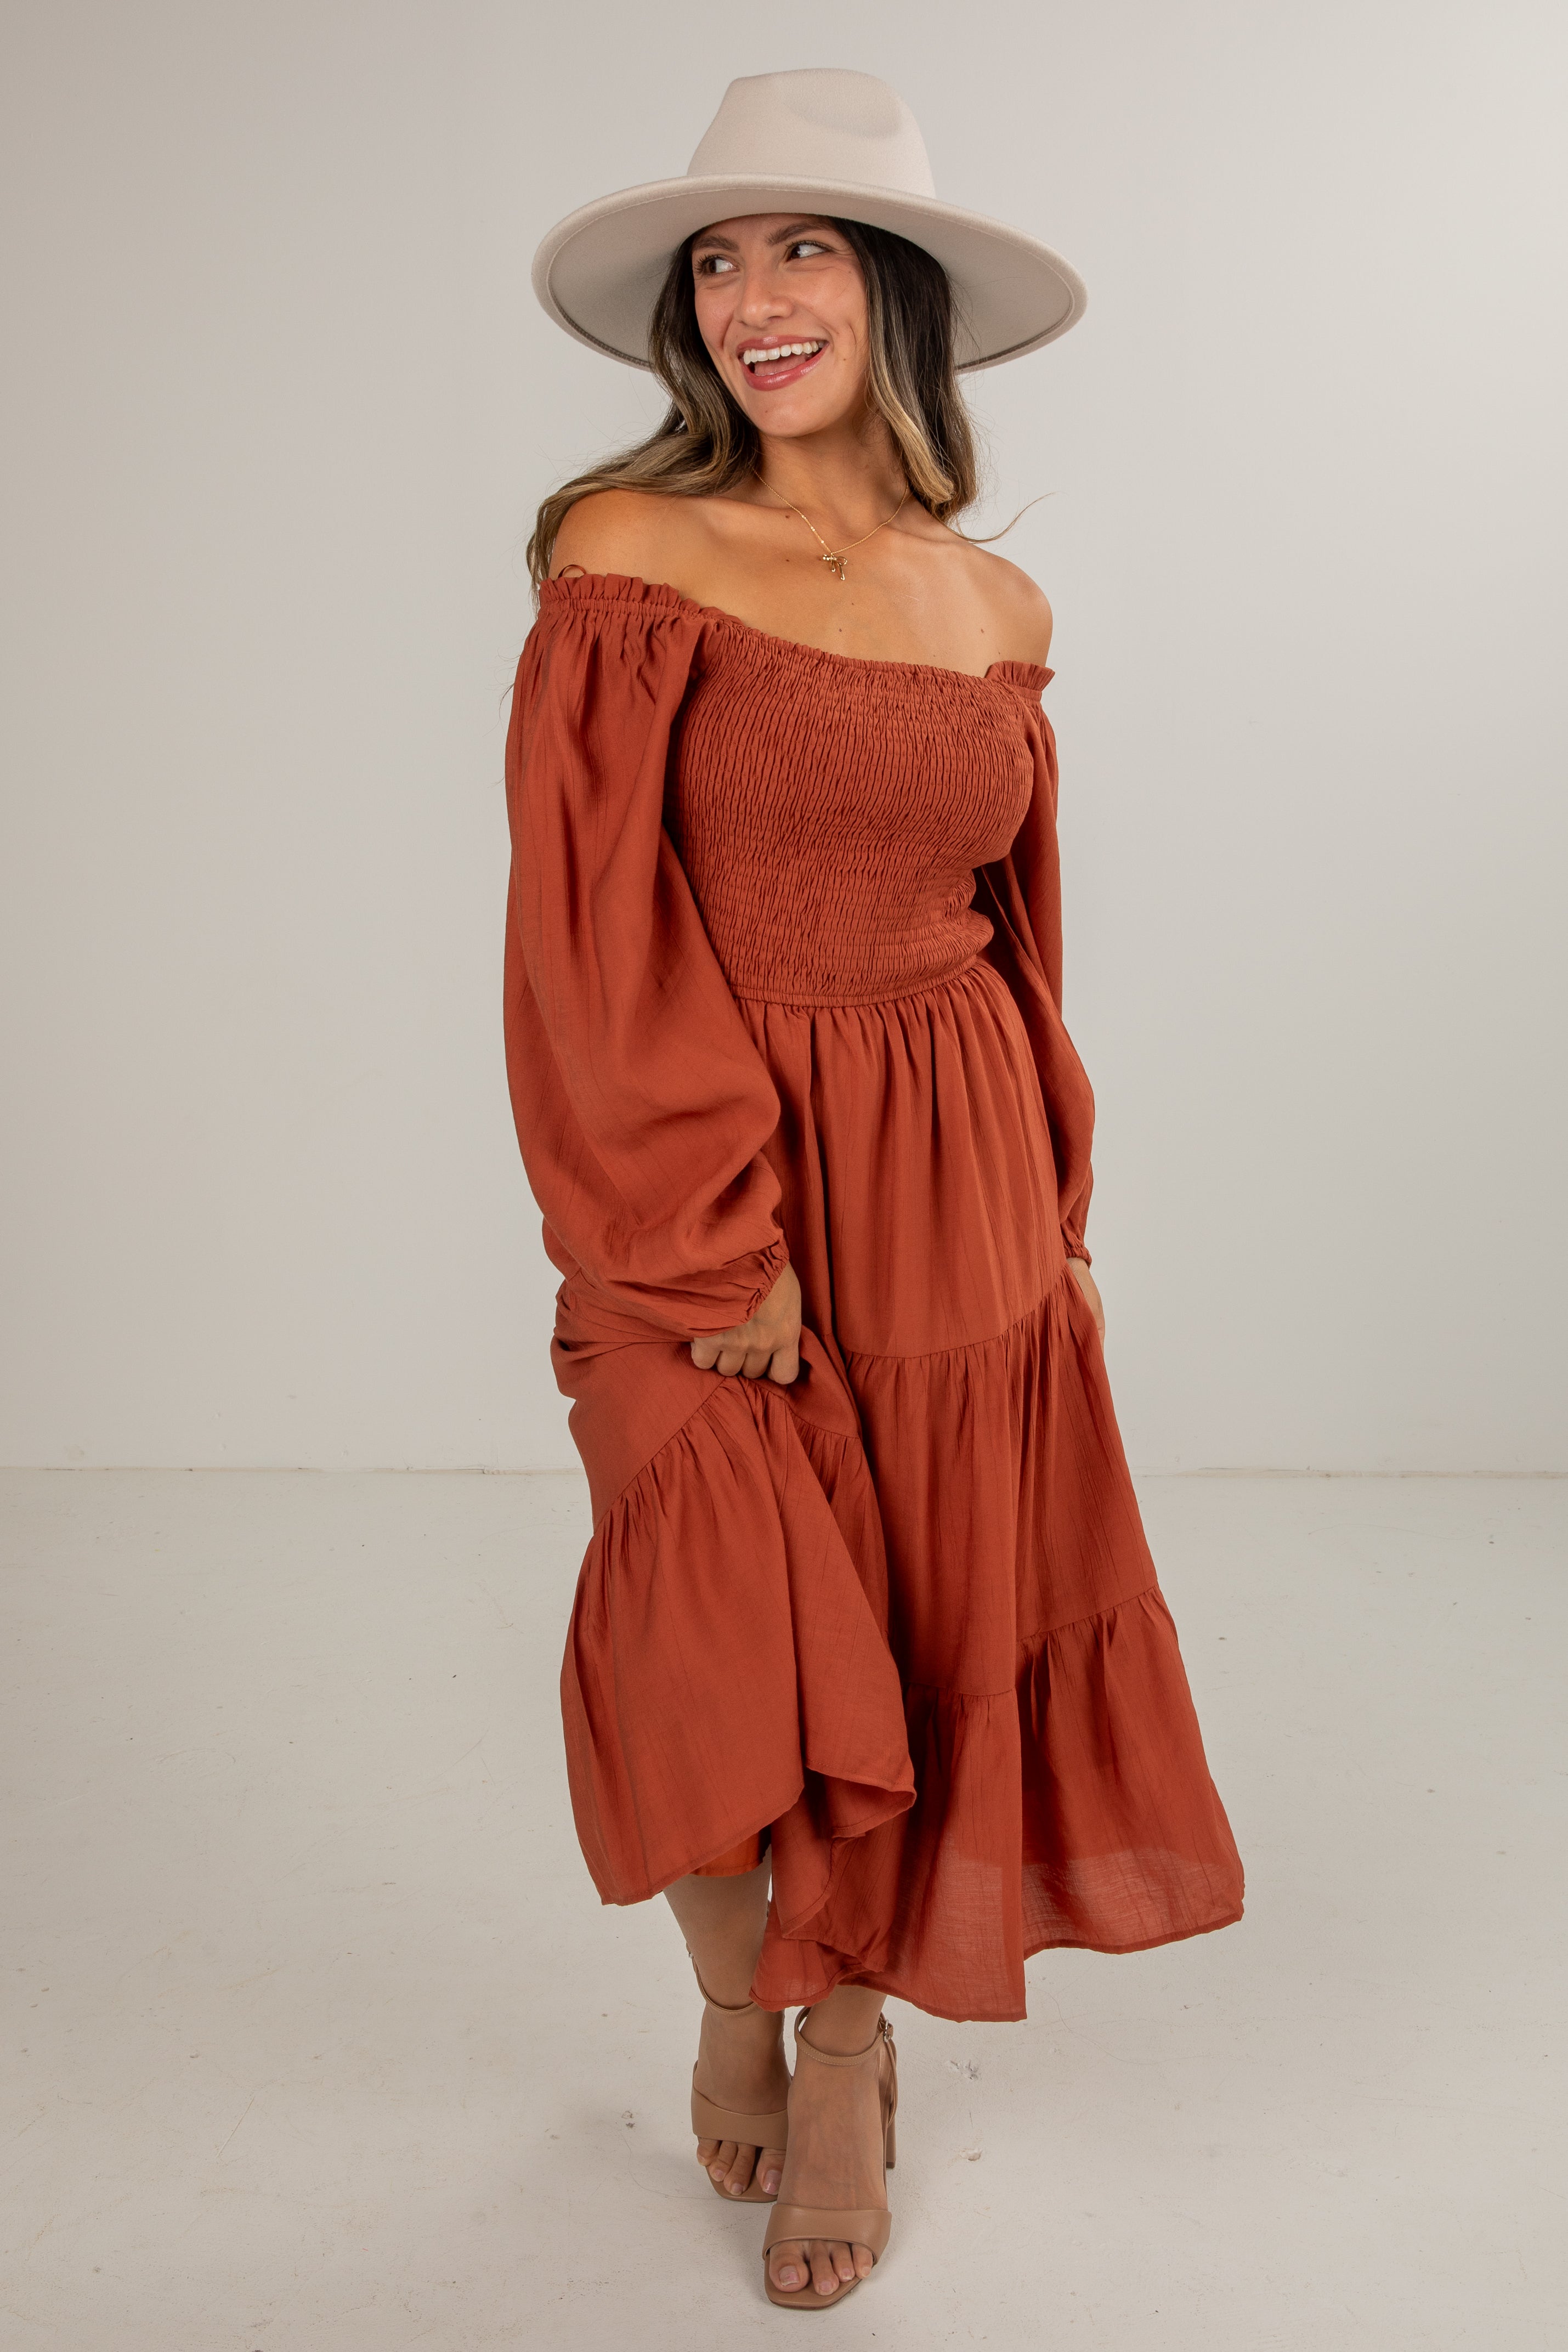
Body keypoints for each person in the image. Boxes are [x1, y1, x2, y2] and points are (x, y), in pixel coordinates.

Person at [503, 68, 1244, 2311]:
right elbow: (584, 929)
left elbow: (1014, 930)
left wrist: (1062, 1213)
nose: (751, 294)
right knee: (712, 1643)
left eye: (803, 247)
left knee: (917, 1633)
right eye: (718, 260)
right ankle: (734, 1992)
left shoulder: (993, 599)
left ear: (895, 295)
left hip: (958, 1177)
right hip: (705, 1172)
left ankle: (841, 2046)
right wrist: (694, 1231)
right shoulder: (624, 552)